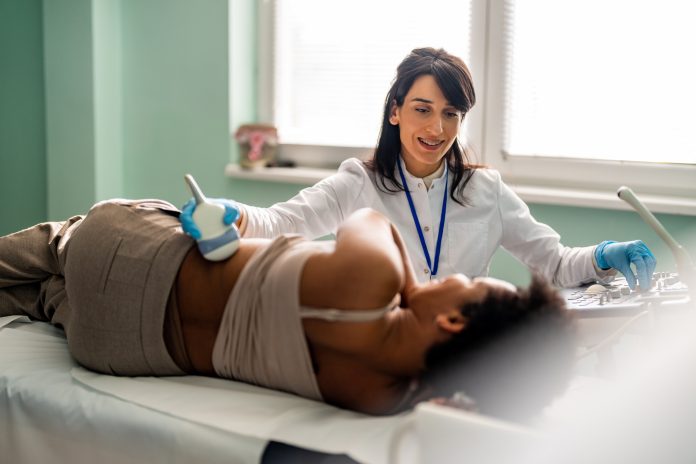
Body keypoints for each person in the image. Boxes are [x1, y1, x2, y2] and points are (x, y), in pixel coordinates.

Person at [0, 199, 576, 420]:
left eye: (467, 283)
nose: (452, 277)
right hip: (120, 349)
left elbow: (369, 216)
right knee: (43, 297)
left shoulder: (373, 277)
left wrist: (409, 284)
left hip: (128, 257)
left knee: (59, 245)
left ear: (452, 320)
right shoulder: (381, 395)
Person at [182, 47, 656, 290]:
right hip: (387, 343)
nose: (438, 127)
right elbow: (286, 222)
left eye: (452, 113)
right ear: (396, 111)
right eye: (423, 109)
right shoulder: (359, 182)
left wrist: (605, 253)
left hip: (464, 345)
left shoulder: (484, 189)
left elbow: (552, 263)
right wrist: (232, 214)